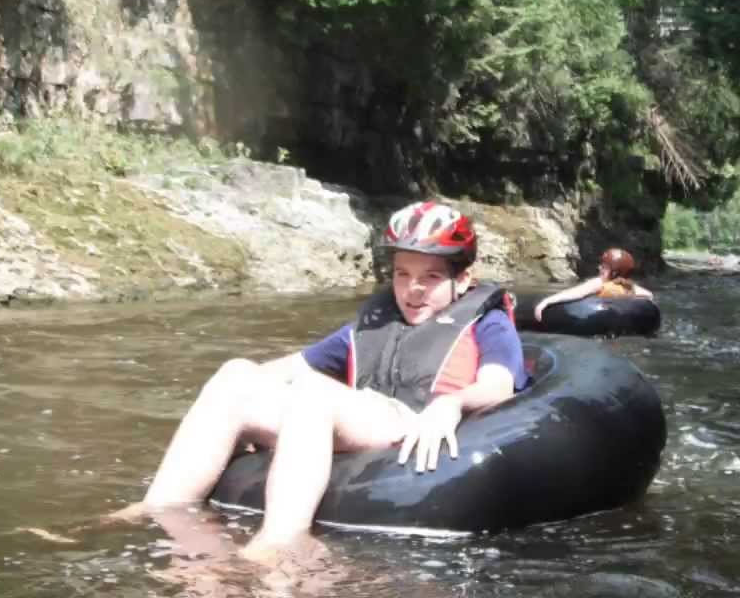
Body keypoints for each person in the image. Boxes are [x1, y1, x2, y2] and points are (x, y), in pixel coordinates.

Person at [112, 201, 528, 562]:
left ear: (464, 279)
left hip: (413, 420)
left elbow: (499, 384)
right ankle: (160, 506)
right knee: (236, 373)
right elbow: (290, 367)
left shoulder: (486, 321)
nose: (412, 290)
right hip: (361, 412)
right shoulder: (375, 322)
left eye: (431, 277)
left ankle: (282, 538)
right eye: (402, 274)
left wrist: (450, 405)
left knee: (314, 395)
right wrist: (234, 397)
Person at [534, 247, 653, 321]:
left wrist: (546, 301)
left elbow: (577, 293)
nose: (600, 268)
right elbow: (649, 295)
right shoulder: (628, 286)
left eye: (604, 267)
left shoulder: (599, 283)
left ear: (615, 272)